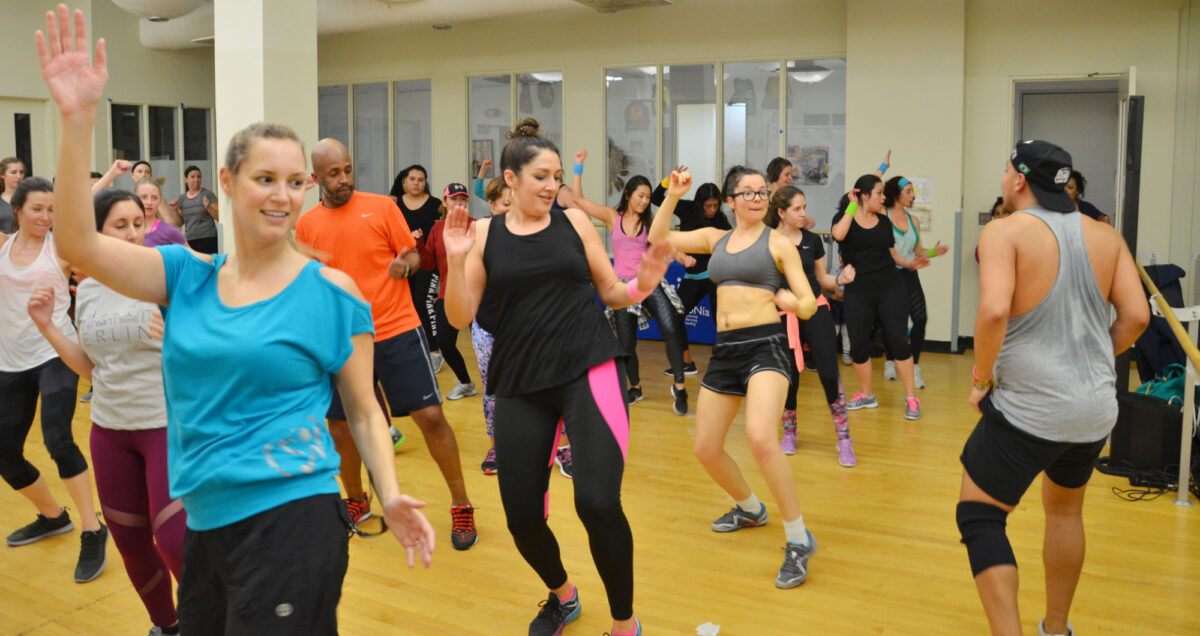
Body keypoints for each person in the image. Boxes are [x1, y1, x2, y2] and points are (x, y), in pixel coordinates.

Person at [36, 9, 435, 633]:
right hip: (207, 522)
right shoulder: (184, 276)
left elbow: (363, 412)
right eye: (265, 178)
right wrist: (76, 122)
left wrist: (388, 494)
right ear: (227, 181)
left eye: (295, 181)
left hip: (294, 518)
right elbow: (76, 244)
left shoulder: (332, 293)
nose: (282, 195)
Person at [444, 118, 667, 636]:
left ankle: (625, 624)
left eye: (557, 176)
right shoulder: (483, 235)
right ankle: (563, 596)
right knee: (522, 517)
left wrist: (642, 284)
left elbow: (611, 292)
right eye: (541, 176)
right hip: (520, 378)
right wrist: (455, 263)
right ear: (511, 179)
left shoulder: (575, 223)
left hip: (588, 365)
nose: (551, 186)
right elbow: (460, 316)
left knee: (597, 502)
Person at [957, 140, 1148, 636]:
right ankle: (1056, 630)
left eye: (1006, 170)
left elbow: (993, 311)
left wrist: (980, 379)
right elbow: (1137, 316)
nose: (1003, 179)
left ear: (1020, 180)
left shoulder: (1004, 231)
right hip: (1094, 409)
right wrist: (1093, 358)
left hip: (1033, 408)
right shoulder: (1105, 235)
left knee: (980, 515)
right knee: (1065, 512)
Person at [297, 139, 478, 549]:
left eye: (347, 169)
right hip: (343, 341)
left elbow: (413, 255)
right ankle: (356, 501)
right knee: (340, 427)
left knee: (430, 417)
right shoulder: (307, 224)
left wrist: (405, 266)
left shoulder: (381, 207)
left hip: (396, 328)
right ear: (317, 177)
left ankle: (461, 504)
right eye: (333, 174)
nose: (344, 179)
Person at [648, 165, 821, 589]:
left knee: (761, 438)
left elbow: (809, 303)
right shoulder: (715, 239)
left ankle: (798, 538)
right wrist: (673, 194)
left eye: (762, 192)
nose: (758, 198)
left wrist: (792, 302)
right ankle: (750, 508)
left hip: (766, 346)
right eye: (748, 192)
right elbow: (657, 236)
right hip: (726, 351)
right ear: (731, 201)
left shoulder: (779, 244)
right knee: (706, 449)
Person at [27, 188, 185, 634]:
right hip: (110, 431)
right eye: (120, 225)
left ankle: (213, 620)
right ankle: (166, 626)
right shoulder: (89, 289)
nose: (133, 234)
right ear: (97, 232)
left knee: (175, 542)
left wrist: (178, 338)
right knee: (131, 543)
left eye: (138, 223)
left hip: (165, 426)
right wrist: (47, 326)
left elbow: (211, 352)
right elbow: (93, 369)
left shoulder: (166, 279)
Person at [0, 175, 107, 583]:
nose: (46, 217)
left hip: (54, 355)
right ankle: (52, 515)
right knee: (4, 452)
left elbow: (100, 264)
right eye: (37, 209)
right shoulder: (4, 246)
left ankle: (92, 528)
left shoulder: (59, 249)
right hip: (10, 362)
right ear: (17, 210)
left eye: (51, 209)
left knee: (58, 438)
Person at [572, 149, 690, 415]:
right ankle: (635, 386)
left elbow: (667, 243)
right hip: (622, 288)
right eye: (641, 196)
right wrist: (578, 166)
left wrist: (683, 257)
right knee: (626, 344)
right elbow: (578, 199)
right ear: (628, 195)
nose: (645, 201)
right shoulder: (612, 217)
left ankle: (680, 387)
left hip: (648, 283)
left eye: (648, 197)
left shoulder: (651, 223)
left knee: (671, 326)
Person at [765, 185, 857, 467]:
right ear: (781, 212)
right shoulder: (767, 241)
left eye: (804, 207)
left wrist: (839, 279)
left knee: (829, 372)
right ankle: (789, 431)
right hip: (782, 314)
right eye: (797, 208)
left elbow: (822, 278)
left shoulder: (812, 241)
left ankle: (844, 438)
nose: (804, 213)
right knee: (788, 377)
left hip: (815, 307)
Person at [831, 174, 925, 419]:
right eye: (879, 193)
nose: (884, 197)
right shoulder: (844, 219)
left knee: (899, 342)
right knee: (859, 345)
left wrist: (910, 264)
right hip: (858, 291)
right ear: (863, 195)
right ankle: (867, 395)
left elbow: (891, 253)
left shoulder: (883, 221)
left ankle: (911, 398)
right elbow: (839, 235)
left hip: (889, 288)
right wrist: (852, 206)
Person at [650, 177, 728, 377]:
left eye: (715, 205)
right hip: (693, 277)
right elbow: (656, 198)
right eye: (708, 206)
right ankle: (686, 363)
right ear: (699, 203)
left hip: (714, 277)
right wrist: (668, 182)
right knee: (674, 315)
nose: (712, 210)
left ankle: (727, 366)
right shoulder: (687, 209)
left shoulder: (721, 220)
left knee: (722, 321)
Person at [880, 176, 948, 390]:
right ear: (896, 193)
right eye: (908, 191)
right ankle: (890, 360)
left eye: (913, 191)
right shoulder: (882, 216)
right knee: (893, 322)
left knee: (920, 318)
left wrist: (934, 253)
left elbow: (918, 252)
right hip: (888, 276)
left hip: (910, 275)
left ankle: (914, 366)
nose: (913, 195)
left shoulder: (914, 221)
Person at [419, 183, 478, 400]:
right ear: (444, 202)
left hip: (477, 295)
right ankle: (466, 383)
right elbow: (428, 264)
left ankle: (497, 389)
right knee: (444, 342)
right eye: (454, 199)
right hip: (448, 293)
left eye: (463, 199)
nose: (459, 203)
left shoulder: (477, 226)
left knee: (485, 346)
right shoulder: (437, 230)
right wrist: (417, 242)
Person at [389, 164, 443, 370]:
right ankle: (413, 348)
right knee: (406, 304)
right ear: (404, 181)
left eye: (420, 180)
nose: (416, 183)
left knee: (423, 303)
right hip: (404, 261)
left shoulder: (435, 204)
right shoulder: (394, 204)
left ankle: (435, 350)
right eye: (412, 179)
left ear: (425, 182)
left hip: (428, 262)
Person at [169, 165, 219, 254]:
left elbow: (219, 216)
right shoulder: (182, 198)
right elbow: (179, 223)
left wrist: (208, 207)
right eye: (192, 177)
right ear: (186, 179)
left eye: (199, 177)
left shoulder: (208, 194)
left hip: (208, 238)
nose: (196, 179)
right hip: (190, 239)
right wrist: (175, 210)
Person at [135, 179, 186, 247]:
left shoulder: (168, 230)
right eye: (144, 197)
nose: (149, 202)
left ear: (159, 200)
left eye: (154, 198)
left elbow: (188, 252)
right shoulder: (127, 229)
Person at [0, 156, 27, 233]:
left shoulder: (31, 199)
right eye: (13, 172)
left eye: (21, 172)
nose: (19, 176)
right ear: (2, 175)